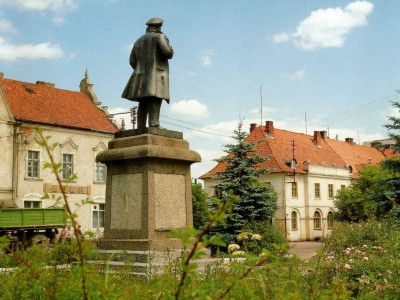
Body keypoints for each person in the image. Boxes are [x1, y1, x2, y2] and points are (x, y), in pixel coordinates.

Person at [122, 17, 174, 132]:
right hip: (156, 73)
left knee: (143, 100)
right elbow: (167, 53)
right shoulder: (160, 37)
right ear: (159, 27)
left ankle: (140, 127)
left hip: (140, 75)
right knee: (155, 97)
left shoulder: (139, 40)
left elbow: (132, 60)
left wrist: (141, 69)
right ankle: (154, 125)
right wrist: (171, 48)